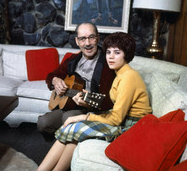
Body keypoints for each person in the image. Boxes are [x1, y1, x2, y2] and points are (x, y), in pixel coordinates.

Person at [36, 32, 152, 171]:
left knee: (74, 126)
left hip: (132, 128)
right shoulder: (119, 74)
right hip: (122, 120)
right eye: (108, 52)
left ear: (126, 54)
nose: (111, 56)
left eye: (117, 52)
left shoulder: (129, 77)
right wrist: (87, 98)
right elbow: (113, 107)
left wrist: (82, 116)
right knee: (72, 130)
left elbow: (116, 118)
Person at [37, 22, 116, 136]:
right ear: (77, 41)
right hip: (69, 104)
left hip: (91, 109)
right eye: (82, 39)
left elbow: (110, 100)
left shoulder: (108, 63)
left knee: (68, 117)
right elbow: (51, 75)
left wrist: (88, 103)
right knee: (43, 123)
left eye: (91, 37)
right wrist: (55, 80)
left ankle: (69, 149)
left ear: (98, 38)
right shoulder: (73, 59)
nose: (87, 43)